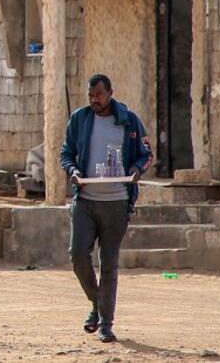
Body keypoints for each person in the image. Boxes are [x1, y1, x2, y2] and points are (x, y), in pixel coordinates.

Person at [59, 73, 152, 343]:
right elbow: (65, 154)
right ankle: (96, 303)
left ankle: (106, 324)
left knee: (108, 265)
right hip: (85, 200)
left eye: (99, 94)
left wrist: (136, 170)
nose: (94, 100)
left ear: (110, 93)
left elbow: (146, 155)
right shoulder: (80, 119)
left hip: (117, 203)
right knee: (78, 255)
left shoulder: (129, 121)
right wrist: (73, 171)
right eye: (90, 95)